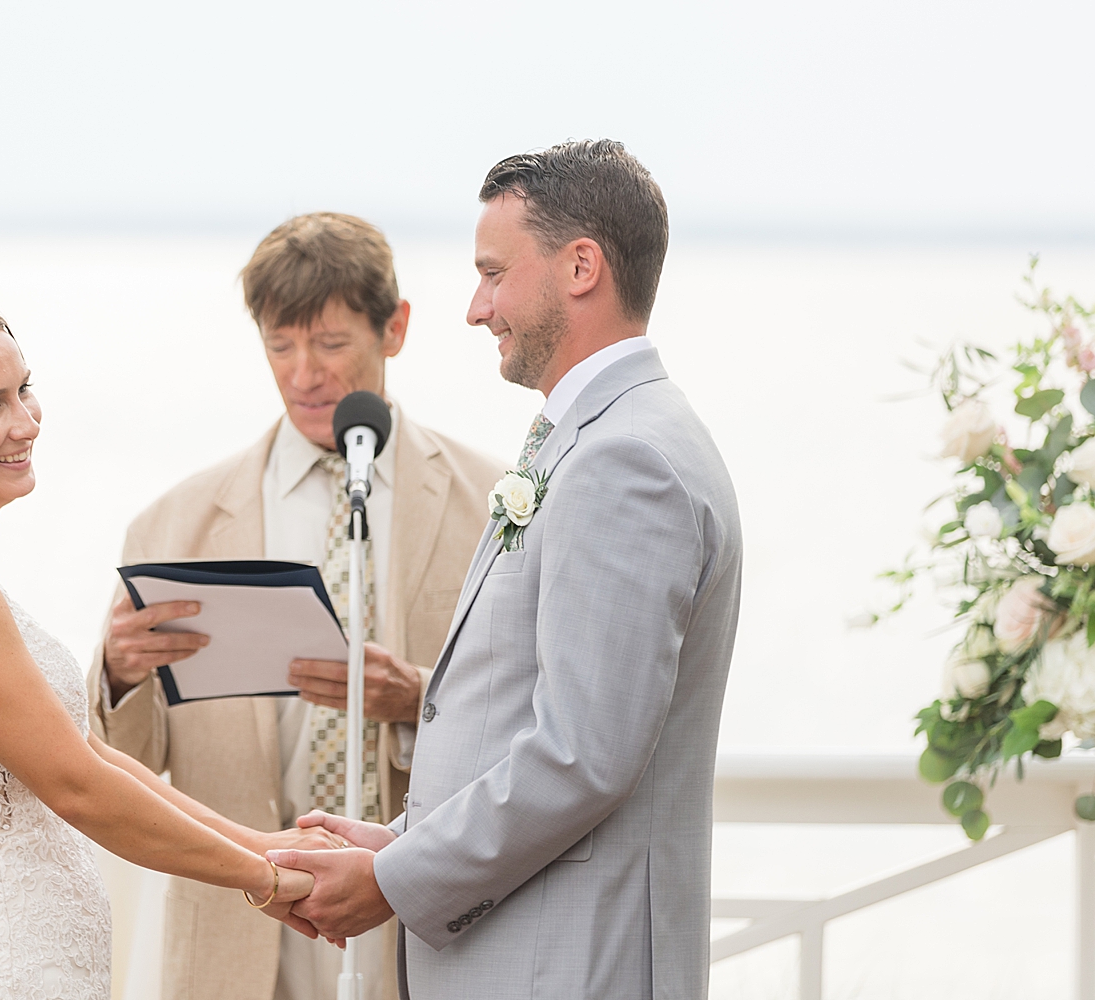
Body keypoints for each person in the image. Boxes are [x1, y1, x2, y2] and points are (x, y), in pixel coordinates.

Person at [271, 141, 744, 999]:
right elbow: (521, 715)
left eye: (493, 273)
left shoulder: (624, 460)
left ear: (580, 267)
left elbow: (582, 756)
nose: (476, 307)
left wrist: (392, 882)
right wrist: (406, 843)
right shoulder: (603, 435)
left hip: (565, 964)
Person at [0, 286, 337, 998]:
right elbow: (77, 786)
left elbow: (87, 753)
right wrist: (267, 878)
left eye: (23, 391)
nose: (25, 424)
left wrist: (266, 843)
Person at [87, 213, 506, 1000]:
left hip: (425, 937)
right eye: (281, 346)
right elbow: (126, 769)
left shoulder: (492, 504)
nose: (304, 373)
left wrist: (417, 698)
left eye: (331, 343)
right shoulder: (175, 524)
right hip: (235, 942)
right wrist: (116, 676)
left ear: (396, 329)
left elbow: (534, 718)